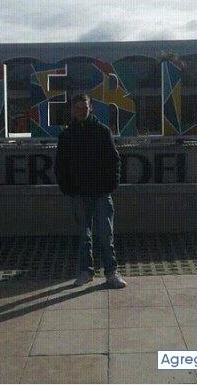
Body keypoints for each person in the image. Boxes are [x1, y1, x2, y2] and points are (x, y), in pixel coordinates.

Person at [54, 93, 127, 288]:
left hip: (101, 193)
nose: (81, 111)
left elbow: (114, 160)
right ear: (72, 110)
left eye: (84, 108)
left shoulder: (102, 131)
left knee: (106, 235)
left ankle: (111, 273)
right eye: (78, 108)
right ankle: (86, 272)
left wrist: (110, 186)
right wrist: (67, 188)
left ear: (91, 108)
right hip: (79, 193)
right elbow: (60, 165)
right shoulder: (66, 135)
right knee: (83, 236)